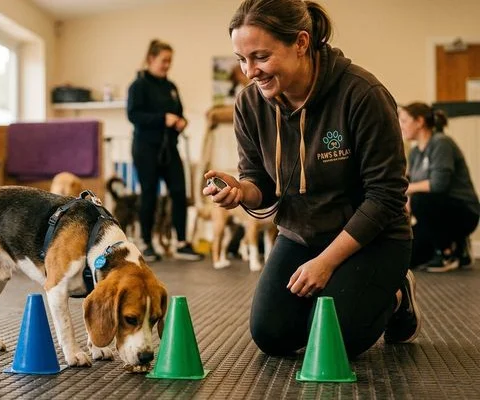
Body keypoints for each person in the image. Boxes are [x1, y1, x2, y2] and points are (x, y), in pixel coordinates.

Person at [203, 0, 420, 358]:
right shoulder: (248, 105)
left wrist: (327, 262)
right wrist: (242, 191)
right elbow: (261, 182)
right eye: (242, 59)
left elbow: (386, 196)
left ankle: (398, 295)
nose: (250, 71)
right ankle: (341, 294)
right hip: (301, 235)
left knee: (336, 339)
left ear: (301, 42)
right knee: (271, 336)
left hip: (373, 239)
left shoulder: (362, 94)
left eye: (260, 57)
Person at [127, 39, 203, 262]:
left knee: (179, 192)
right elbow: (133, 115)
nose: (167, 65)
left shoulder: (171, 87)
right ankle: (147, 243)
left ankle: (181, 243)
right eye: (164, 60)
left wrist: (181, 122)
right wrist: (162, 119)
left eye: (170, 61)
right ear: (151, 59)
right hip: (145, 149)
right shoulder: (138, 85)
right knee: (149, 194)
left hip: (170, 148)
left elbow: (177, 113)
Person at [399, 102, 479, 272]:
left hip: (464, 212)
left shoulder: (441, 143)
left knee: (420, 200)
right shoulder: (415, 153)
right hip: (436, 213)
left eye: (404, 121)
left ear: (419, 121)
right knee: (409, 255)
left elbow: (438, 184)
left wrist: (407, 191)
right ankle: (458, 247)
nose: (401, 125)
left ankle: (446, 252)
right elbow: (409, 183)